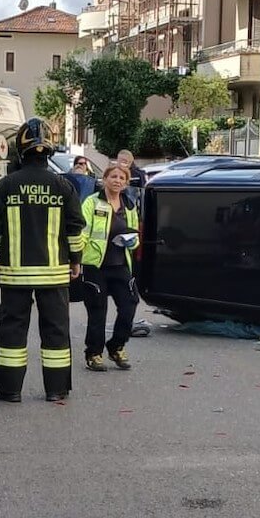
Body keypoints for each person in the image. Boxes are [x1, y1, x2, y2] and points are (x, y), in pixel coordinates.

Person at [0, 118, 86, 403]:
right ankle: (56, 389)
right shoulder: (63, 186)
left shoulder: (6, 185)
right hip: (54, 275)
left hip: (16, 276)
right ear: (49, 149)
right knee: (56, 331)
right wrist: (76, 260)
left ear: (20, 149)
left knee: (13, 331)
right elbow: (75, 228)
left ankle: (9, 389)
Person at [80, 164, 140, 372]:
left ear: (126, 183)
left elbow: (134, 233)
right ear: (104, 180)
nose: (117, 180)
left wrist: (134, 242)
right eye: (113, 176)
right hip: (95, 265)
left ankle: (116, 346)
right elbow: (82, 233)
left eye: (122, 178)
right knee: (97, 311)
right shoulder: (92, 202)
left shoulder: (129, 205)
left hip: (121, 265)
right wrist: (76, 259)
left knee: (129, 306)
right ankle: (94, 354)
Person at [116, 149, 151, 337]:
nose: (121, 164)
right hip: (104, 256)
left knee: (130, 296)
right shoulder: (110, 183)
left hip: (129, 246)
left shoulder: (137, 178)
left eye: (124, 161)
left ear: (130, 162)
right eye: (119, 160)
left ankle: (122, 333)